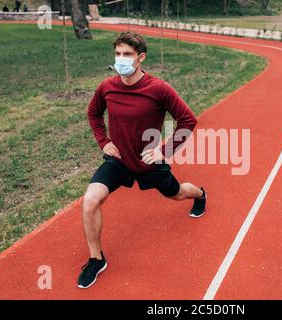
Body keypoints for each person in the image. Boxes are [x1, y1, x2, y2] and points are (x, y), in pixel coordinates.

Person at [77, 31, 207, 289]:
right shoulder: (107, 86)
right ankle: (96, 258)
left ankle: (201, 194)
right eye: (117, 54)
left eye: (127, 54)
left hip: (149, 162)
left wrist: (165, 151)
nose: (121, 59)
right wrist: (105, 142)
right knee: (90, 201)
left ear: (141, 58)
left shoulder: (158, 89)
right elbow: (93, 113)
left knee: (178, 194)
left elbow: (188, 120)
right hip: (119, 160)